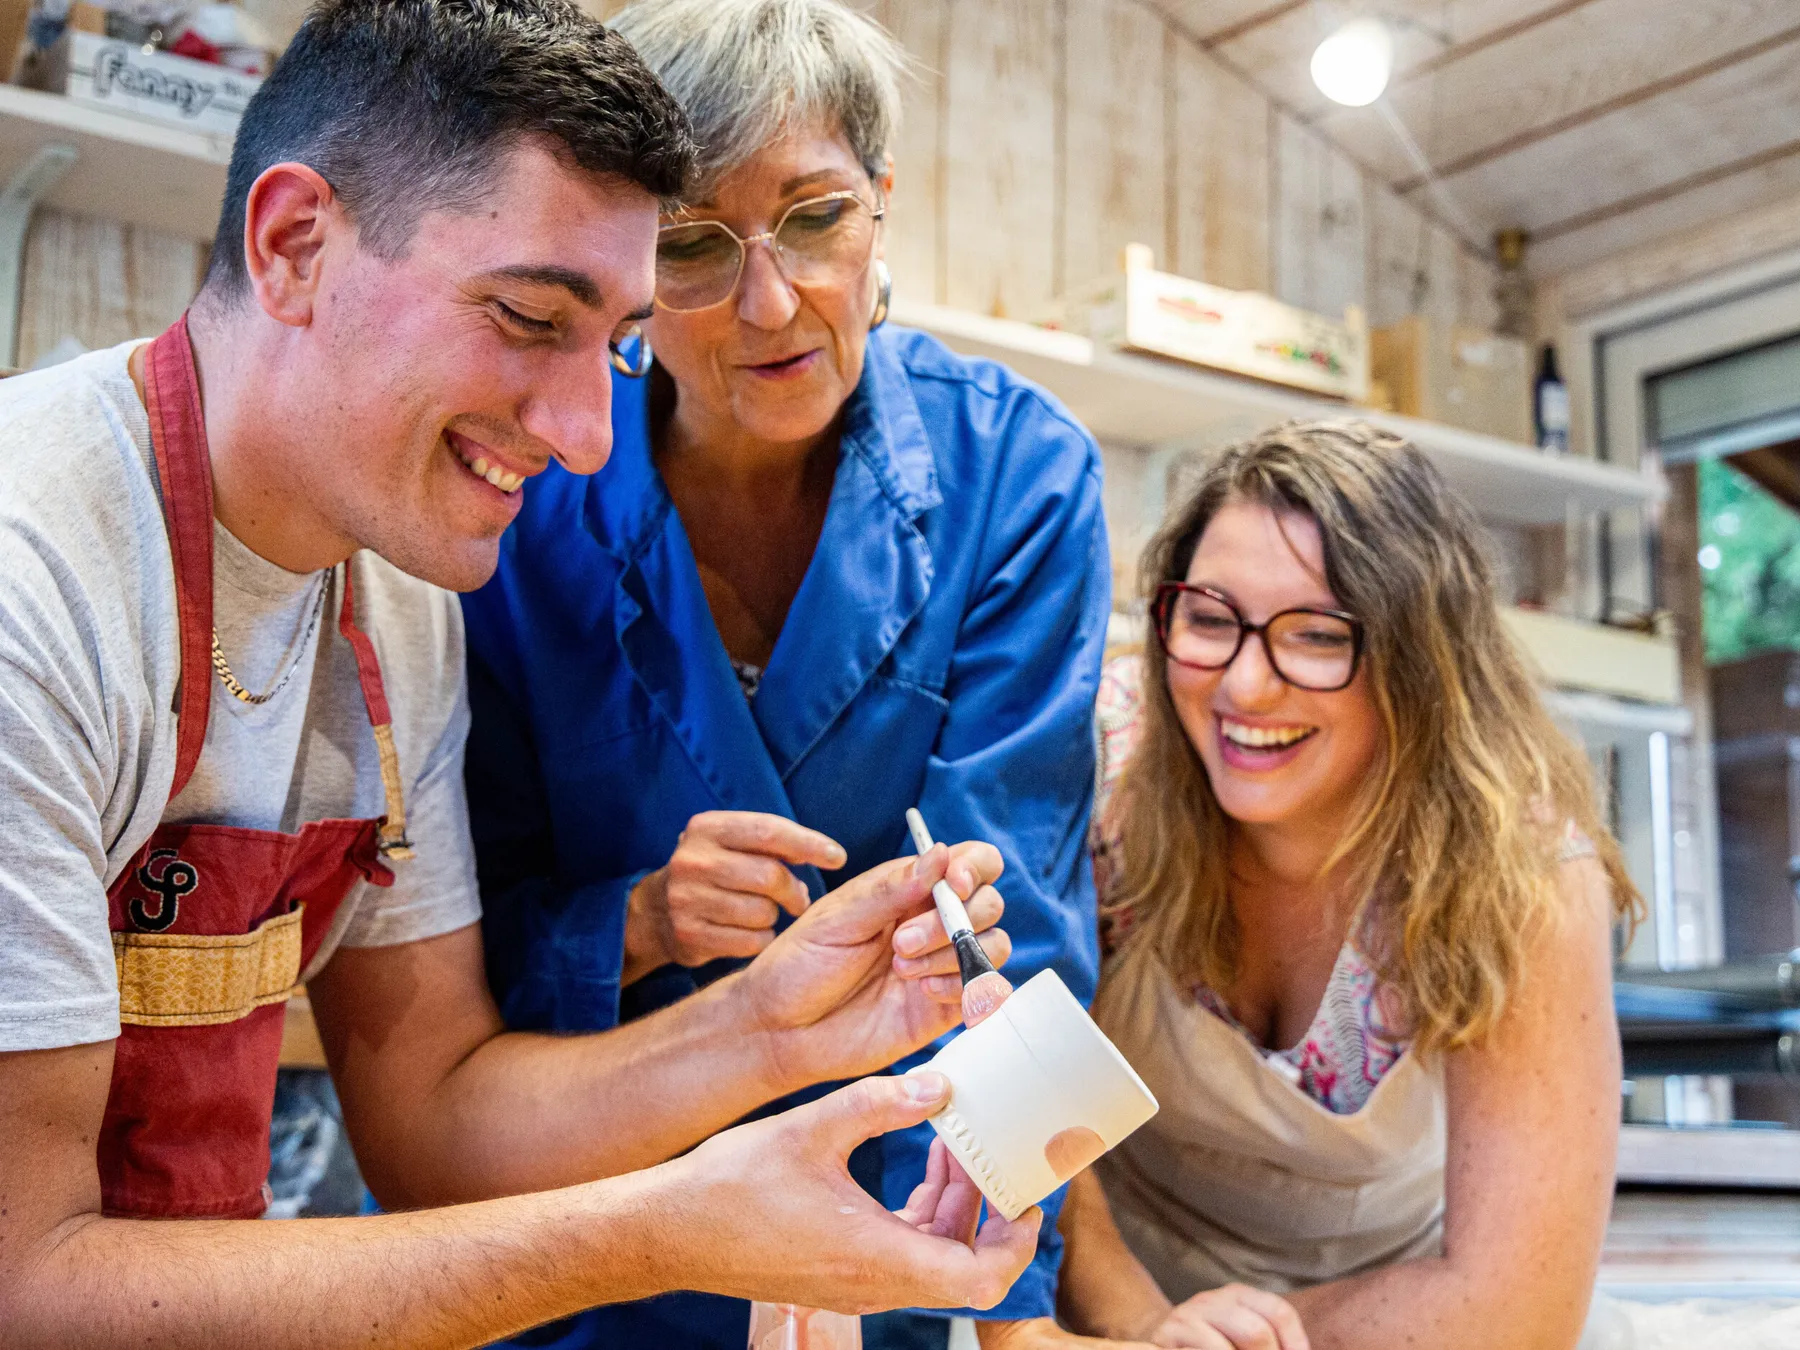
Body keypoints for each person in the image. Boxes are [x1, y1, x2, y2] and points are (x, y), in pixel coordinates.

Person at [0, 2, 1045, 1344]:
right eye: (529, 316)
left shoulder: (397, 593)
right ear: (296, 245)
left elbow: (435, 1126)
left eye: (612, 340)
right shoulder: (38, 577)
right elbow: (25, 1283)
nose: (590, 438)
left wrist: (771, 1030)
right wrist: (665, 1225)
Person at [460, 2, 1110, 1346]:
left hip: (895, 1229)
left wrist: (1006, 1299)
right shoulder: (521, 499)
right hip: (576, 1240)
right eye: (695, 247)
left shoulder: (1018, 476)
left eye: (815, 220)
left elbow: (1023, 933)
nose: (771, 304)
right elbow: (438, 962)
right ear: (627, 264)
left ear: (881, 204)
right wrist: (637, 919)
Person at [1049, 422, 1638, 1350]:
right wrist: (1141, 1324)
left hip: (1410, 1324)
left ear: (1421, 662)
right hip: (1104, 1304)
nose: (1246, 685)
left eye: (1317, 636)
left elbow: (1514, 1306)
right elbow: (1015, 1076)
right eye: (1210, 620)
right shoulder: (1107, 765)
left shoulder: (1522, 873)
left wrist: (1226, 1343)